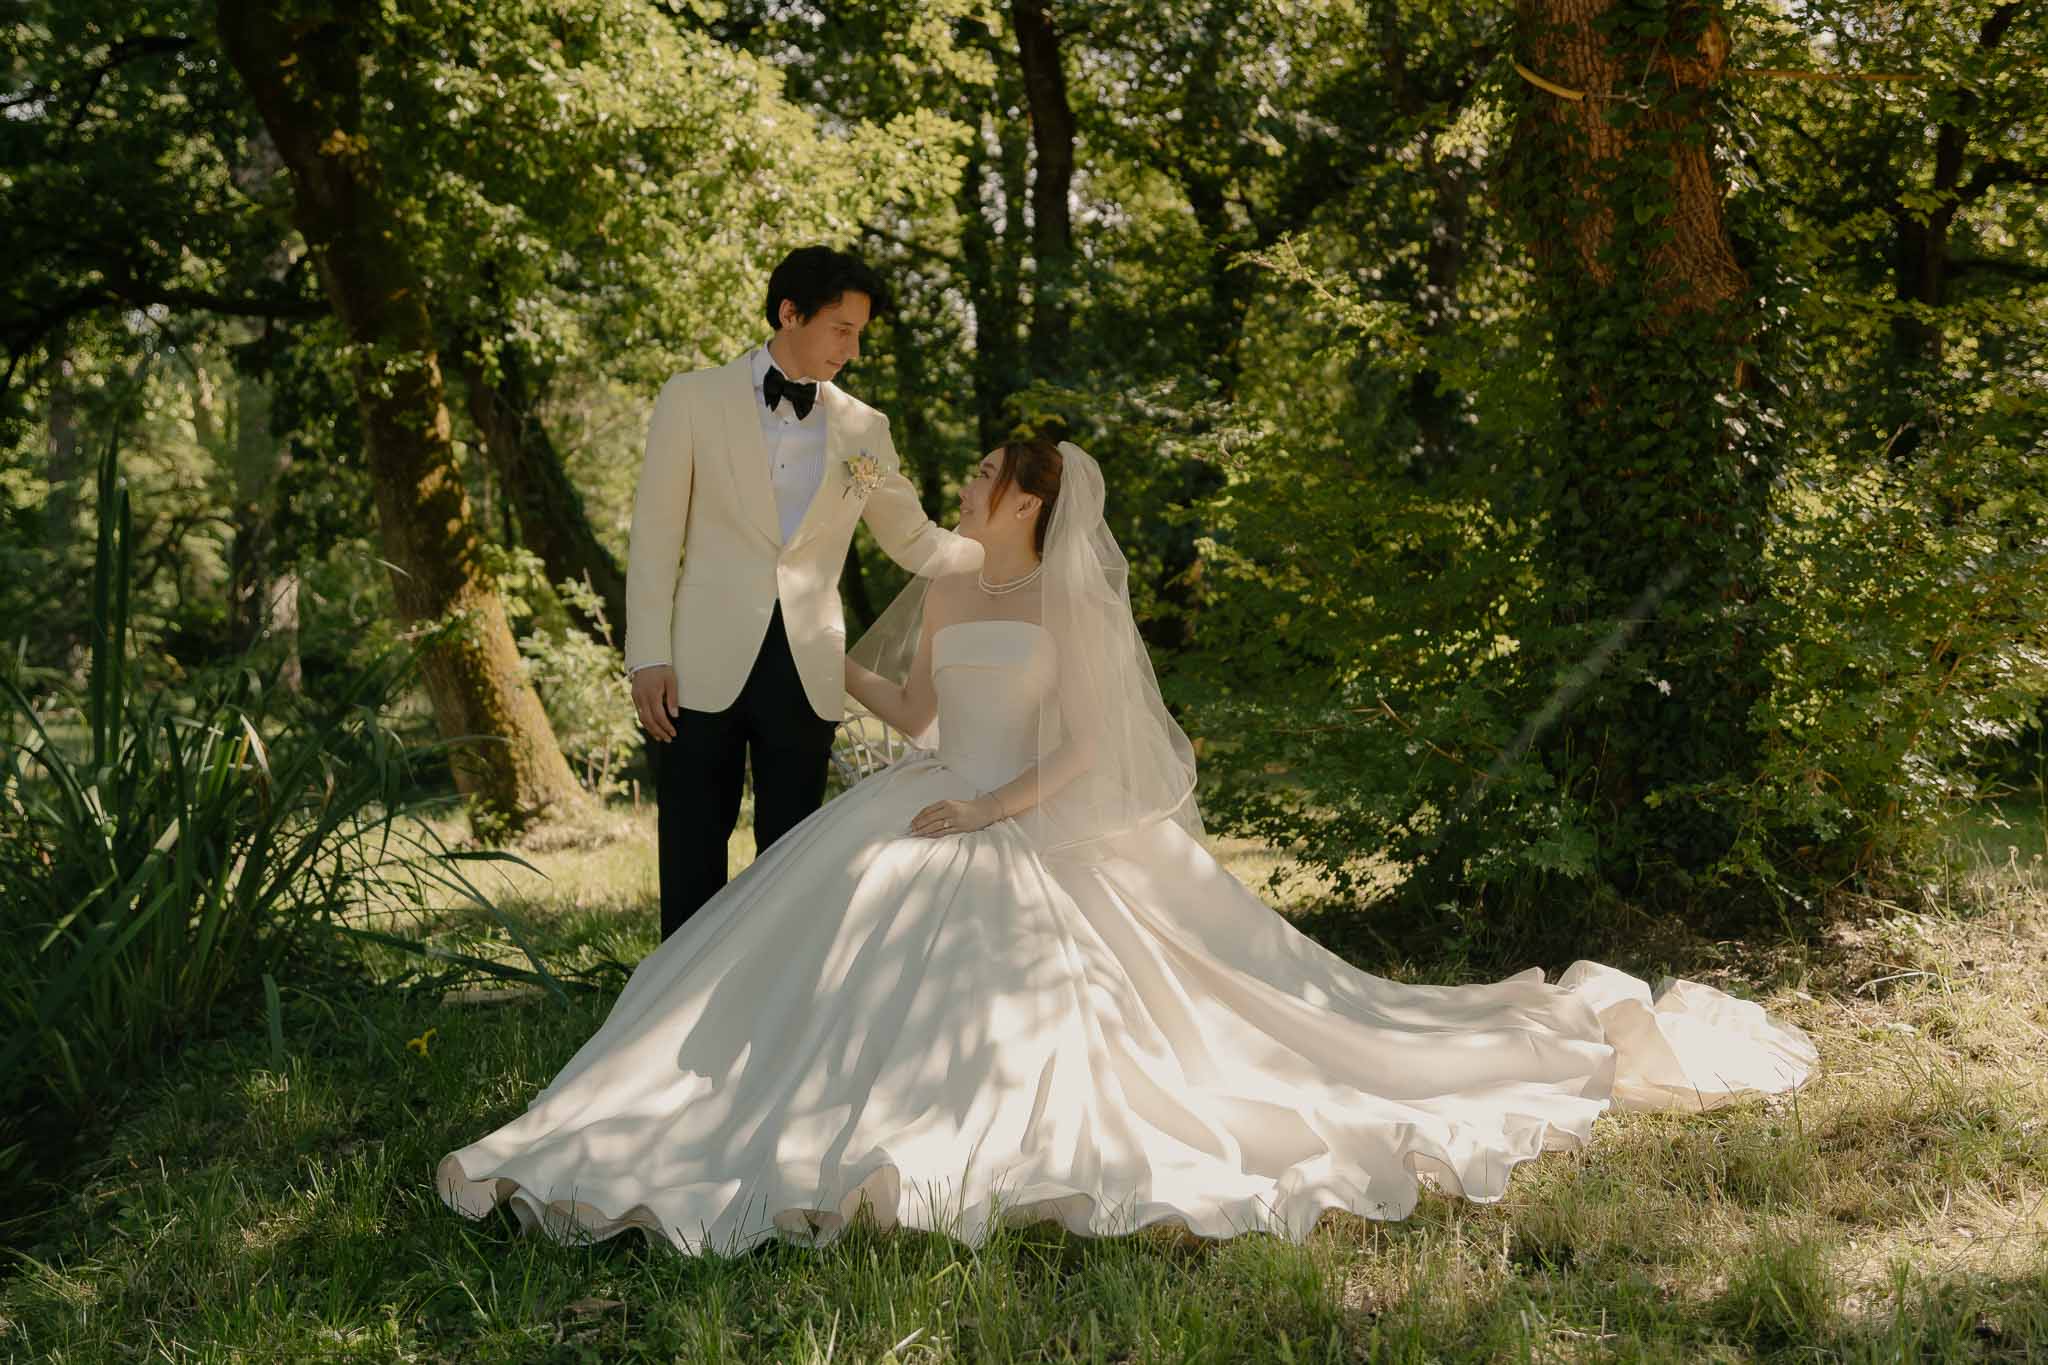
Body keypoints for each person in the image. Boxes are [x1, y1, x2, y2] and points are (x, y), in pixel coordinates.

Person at [441, 438, 1815, 1255]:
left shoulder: (1069, 607)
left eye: (983, 474)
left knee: (1128, 1002)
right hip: (926, 794)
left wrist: (988, 812)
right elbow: (912, 710)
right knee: (813, 923)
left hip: (1016, 818)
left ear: (1027, 500)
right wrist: (824, 654)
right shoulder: (953, 591)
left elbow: (1091, 753)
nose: (964, 483)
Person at [622, 246, 975, 941]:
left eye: (859, 334)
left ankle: (773, 1002)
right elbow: (655, 540)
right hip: (696, 667)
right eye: (842, 329)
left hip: (808, 668)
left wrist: (1006, 556)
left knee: (792, 866)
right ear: (789, 313)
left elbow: (912, 539)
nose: (852, 349)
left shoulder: (864, 428)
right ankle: (675, 1000)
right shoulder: (691, 399)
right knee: (691, 850)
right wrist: (647, 655)